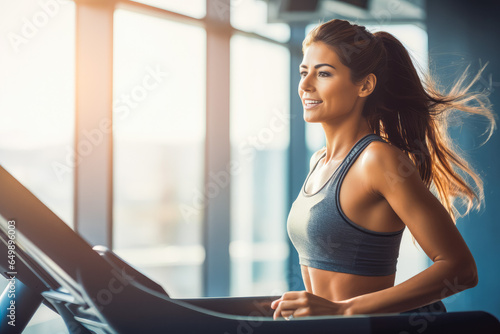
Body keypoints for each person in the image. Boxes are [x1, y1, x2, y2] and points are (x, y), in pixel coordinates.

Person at [270, 18, 497, 319]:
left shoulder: (379, 161)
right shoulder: (319, 161)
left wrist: (343, 310)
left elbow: (461, 269)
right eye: (304, 71)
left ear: (365, 85)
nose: (305, 85)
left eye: (324, 73)